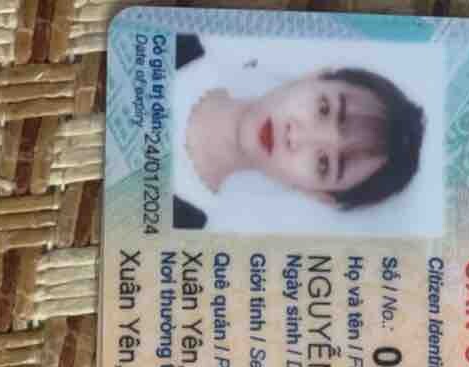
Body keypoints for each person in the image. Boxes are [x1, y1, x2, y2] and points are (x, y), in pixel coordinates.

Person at [172, 34, 425, 230]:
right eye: (324, 109)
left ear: (317, 194)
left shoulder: (180, 235)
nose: (297, 137)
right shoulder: (175, 36)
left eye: (324, 164)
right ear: (315, 76)